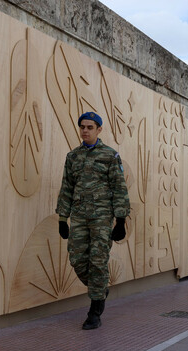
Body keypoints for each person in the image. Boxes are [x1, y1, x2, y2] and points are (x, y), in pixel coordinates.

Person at [56, 112, 130, 330]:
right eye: (82, 127)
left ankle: (95, 311)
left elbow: (119, 188)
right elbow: (67, 187)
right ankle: (100, 289)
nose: (85, 131)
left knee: (98, 262)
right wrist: (63, 218)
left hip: (101, 218)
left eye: (90, 127)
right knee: (77, 260)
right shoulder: (73, 157)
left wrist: (121, 220)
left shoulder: (110, 156)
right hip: (79, 216)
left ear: (99, 130)